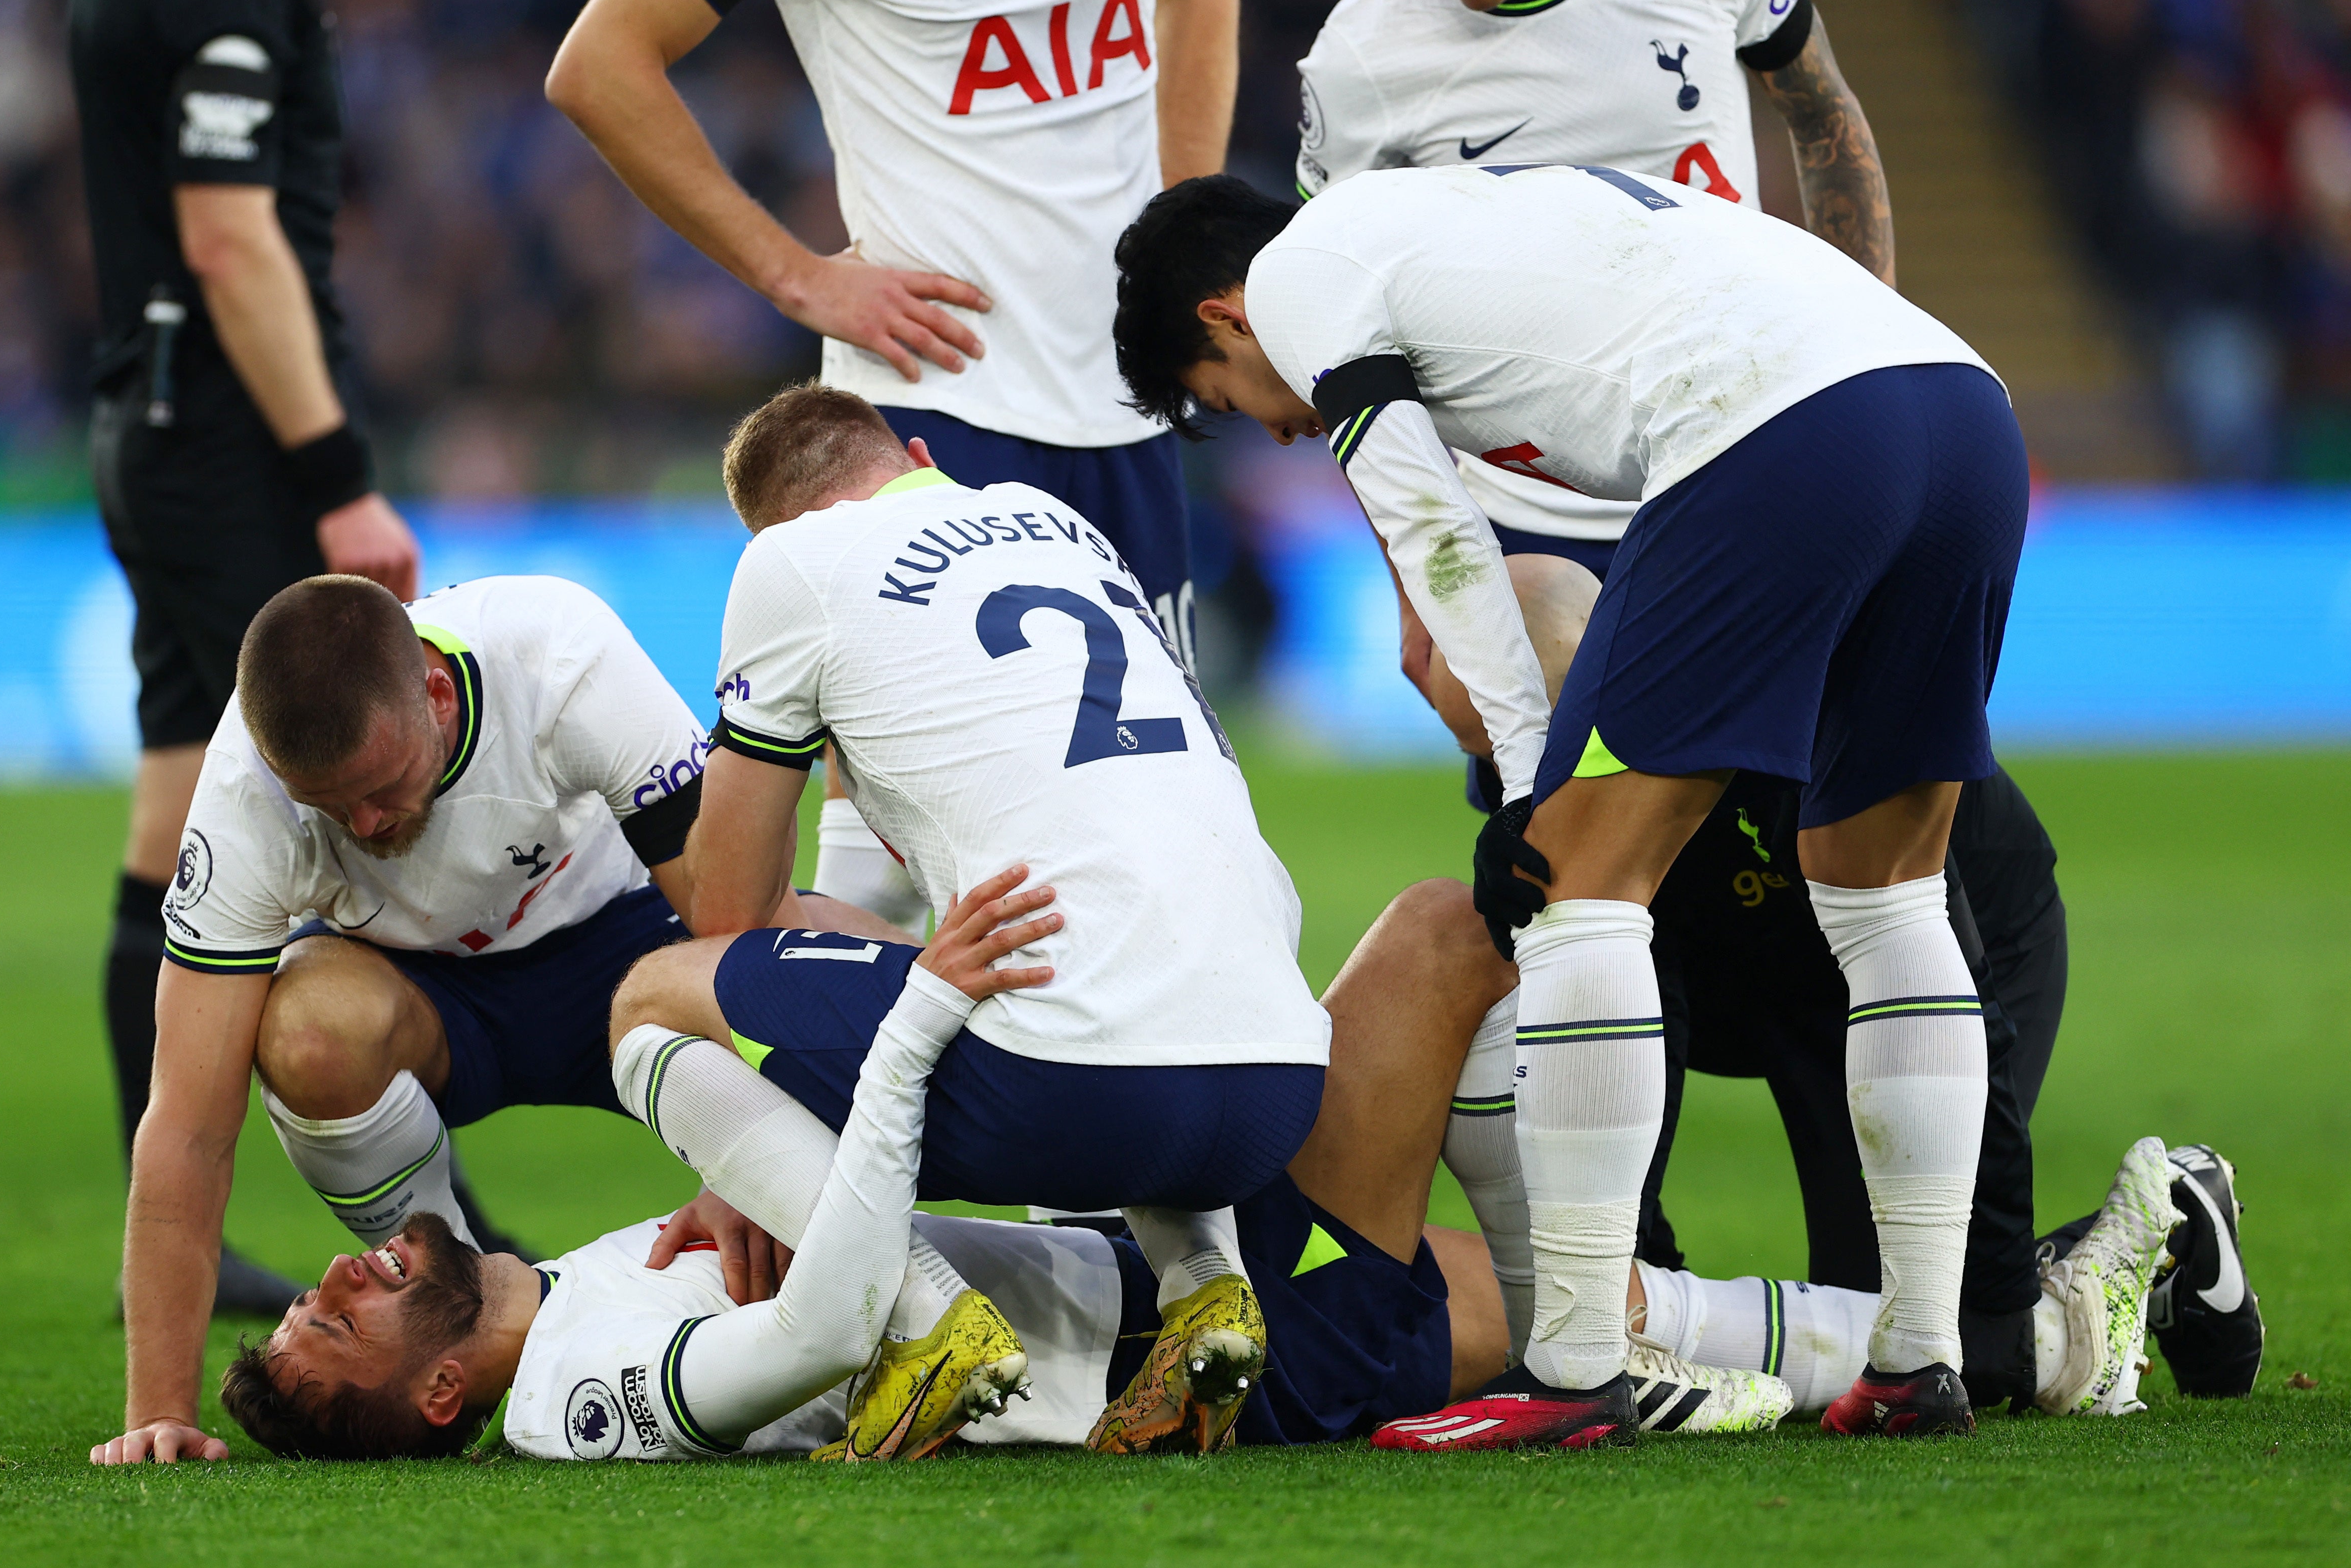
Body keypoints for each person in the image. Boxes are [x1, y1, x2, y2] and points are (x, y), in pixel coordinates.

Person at [1110, 163, 2025, 1441]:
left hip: (1779, 422)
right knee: (1886, 899)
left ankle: (1578, 1367)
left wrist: (1535, 784)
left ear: (1222, 313)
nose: (1273, 430)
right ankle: (1923, 1356)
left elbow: (1433, 534)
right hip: (1957, 410)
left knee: (1579, 892)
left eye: (1228, 403)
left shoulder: (1300, 274)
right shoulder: (1459, 220)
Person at [200, 868, 1819, 1464]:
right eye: (336, 1321)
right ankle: (1740, 1354)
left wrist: (746, 1180)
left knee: (1580, 1275)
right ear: (432, 1403)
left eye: (319, 1292)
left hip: (1132, 1265)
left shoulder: (574, 1300)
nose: (341, 1267)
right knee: (1448, 934)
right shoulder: (573, 1401)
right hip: (1192, 1354)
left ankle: (1882, 1342)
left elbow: (798, 1275)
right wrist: (910, 1033)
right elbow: (830, 1331)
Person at [546, 0, 1239, 928]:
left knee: (1160, 844)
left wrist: (1184, 219)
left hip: (1124, 406)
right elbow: (601, 64)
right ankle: (849, 1126)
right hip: (936, 411)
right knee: (899, 854)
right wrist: (796, 276)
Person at [608, 381, 1332, 1454]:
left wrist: (742, 1159)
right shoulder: (1061, 526)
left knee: (655, 996)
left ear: (775, 526)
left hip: (1082, 1095)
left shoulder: (792, 563)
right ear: (909, 454)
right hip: (1276, 1091)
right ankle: (1207, 1293)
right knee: (1065, 946)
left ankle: (923, 1317)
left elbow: (730, 916)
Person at [95, 571, 903, 1468]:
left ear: (437, 695)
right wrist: (158, 1411)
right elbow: (188, 1125)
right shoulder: (247, 790)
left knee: (853, 966)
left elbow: (734, 926)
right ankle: (458, 1333)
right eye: (330, 806)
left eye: (380, 784)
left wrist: (750, 1165)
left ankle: (1076, 1183)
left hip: (633, 948)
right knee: (307, 1031)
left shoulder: (558, 655)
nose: (363, 823)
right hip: (426, 996)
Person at [1416, 560, 2264, 1413]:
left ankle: (2170, 1224)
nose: (1410, 665)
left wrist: (1996, 1290)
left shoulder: (1791, 729)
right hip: (1751, 965)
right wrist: (1634, 1265)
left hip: (1946, 950)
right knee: (1855, 1324)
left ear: (1552, 677)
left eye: (1443, 649)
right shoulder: (1529, 750)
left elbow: (1965, 1004)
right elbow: (1629, 989)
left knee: (1932, 1328)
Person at [68, 0, 420, 1312]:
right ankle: (443, 1232)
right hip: (221, 438)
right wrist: (338, 471)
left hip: (148, 417)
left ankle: (185, 1248)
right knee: (358, 797)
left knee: (167, 818)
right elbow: (231, 234)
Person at [1296, 0, 1892, 591]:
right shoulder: (1362, 58)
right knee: (1544, 709)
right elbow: (1329, 322)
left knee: (1800, 728)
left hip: (1743, 450)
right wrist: (1420, 573)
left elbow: (1822, 115)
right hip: (1526, 516)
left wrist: (1863, 365)